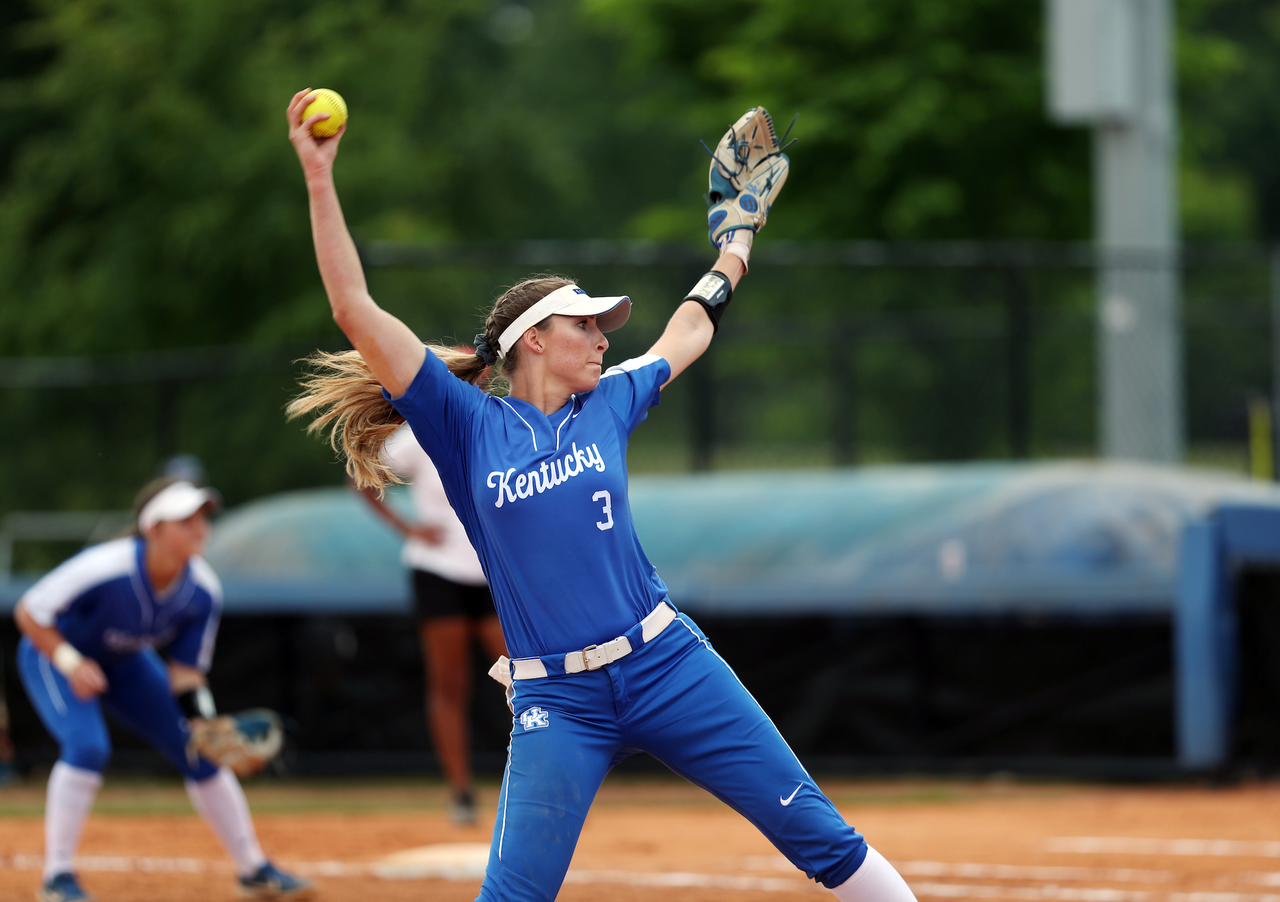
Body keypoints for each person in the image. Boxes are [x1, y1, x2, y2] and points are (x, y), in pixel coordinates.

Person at [285, 88, 918, 902]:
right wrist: (318, 177)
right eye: (585, 324)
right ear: (535, 341)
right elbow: (352, 308)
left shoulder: (609, 401)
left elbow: (686, 330)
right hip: (558, 700)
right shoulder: (465, 424)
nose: (603, 335)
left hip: (668, 663)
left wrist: (736, 246)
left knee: (822, 838)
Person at [14, 478, 312, 902]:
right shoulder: (108, 566)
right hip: (52, 654)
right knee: (88, 747)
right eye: (185, 521)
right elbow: (30, 611)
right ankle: (57, 878)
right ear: (153, 529)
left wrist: (203, 720)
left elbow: (187, 672)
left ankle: (253, 871)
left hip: (124, 662)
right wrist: (70, 662)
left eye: (202, 519)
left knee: (200, 748)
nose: (200, 529)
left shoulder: (202, 589)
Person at [356, 419, 508, 825]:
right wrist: (407, 528)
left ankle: (543, 780)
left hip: (493, 572)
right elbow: (361, 476)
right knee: (450, 683)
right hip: (438, 571)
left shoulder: (500, 428)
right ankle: (461, 792)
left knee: (524, 678)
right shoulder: (423, 432)